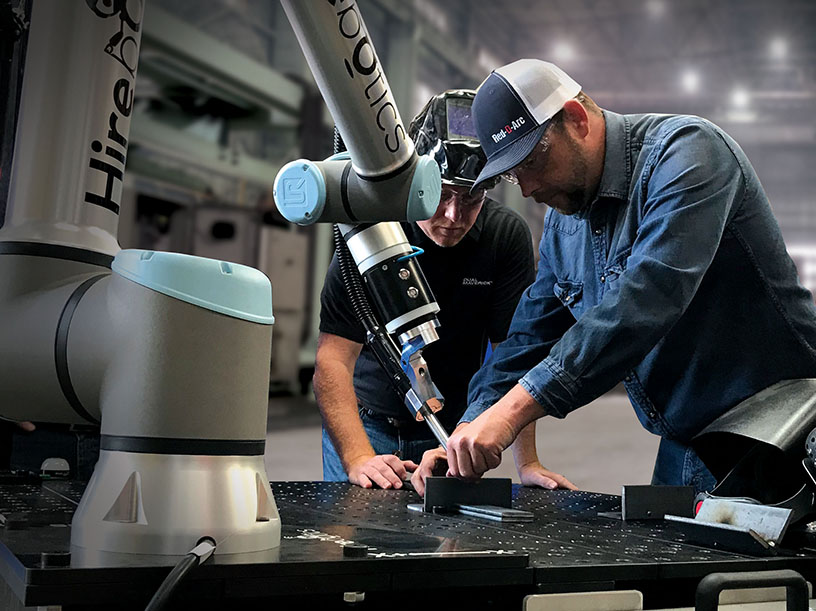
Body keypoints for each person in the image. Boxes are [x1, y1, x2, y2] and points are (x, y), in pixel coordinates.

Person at [413, 60, 816, 495]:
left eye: (530, 161)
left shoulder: (689, 154)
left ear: (576, 119)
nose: (526, 189)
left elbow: (646, 299)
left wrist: (510, 413)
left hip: (784, 433)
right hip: (688, 441)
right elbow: (529, 336)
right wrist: (468, 428)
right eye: (512, 174)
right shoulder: (564, 223)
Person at [315, 89, 576, 495]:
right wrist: (358, 457)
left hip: (454, 430)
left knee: (444, 550)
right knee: (358, 539)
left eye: (471, 198)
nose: (453, 217)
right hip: (370, 424)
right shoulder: (372, 231)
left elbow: (515, 354)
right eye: (440, 195)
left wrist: (527, 462)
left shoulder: (505, 237)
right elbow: (332, 360)